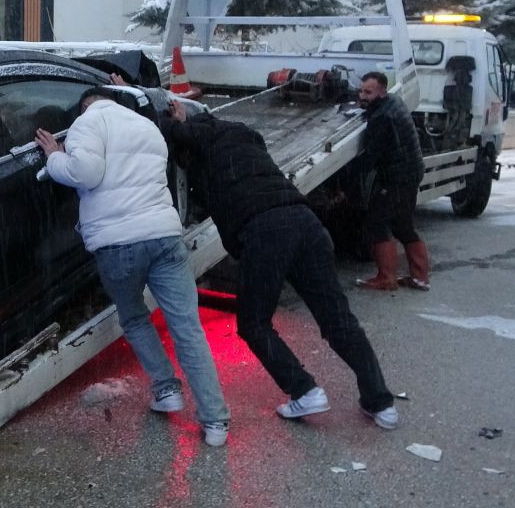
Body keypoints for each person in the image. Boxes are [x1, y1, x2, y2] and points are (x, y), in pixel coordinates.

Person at [160, 97, 398, 429]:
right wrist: (188, 122)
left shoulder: (202, 142)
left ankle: (304, 390)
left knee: (253, 324)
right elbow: (194, 134)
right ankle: (381, 403)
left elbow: (173, 131)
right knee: (337, 320)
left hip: (265, 231)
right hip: (306, 223)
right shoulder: (242, 136)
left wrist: (176, 123)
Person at [35, 86, 231, 447]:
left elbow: (86, 174)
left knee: (135, 317)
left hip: (118, 242)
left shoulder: (87, 122)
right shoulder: (148, 128)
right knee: (188, 329)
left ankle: (166, 389)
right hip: (164, 235)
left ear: (86, 105)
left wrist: (54, 157)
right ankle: (215, 421)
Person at [353, 71, 430, 291]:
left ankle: (386, 278)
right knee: (403, 225)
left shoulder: (382, 118)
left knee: (377, 223)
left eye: (368, 92)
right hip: (411, 172)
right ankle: (420, 277)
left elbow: (371, 157)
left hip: (397, 177)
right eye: (361, 90)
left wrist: (350, 181)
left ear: (382, 91)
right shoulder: (393, 102)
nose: (363, 95)